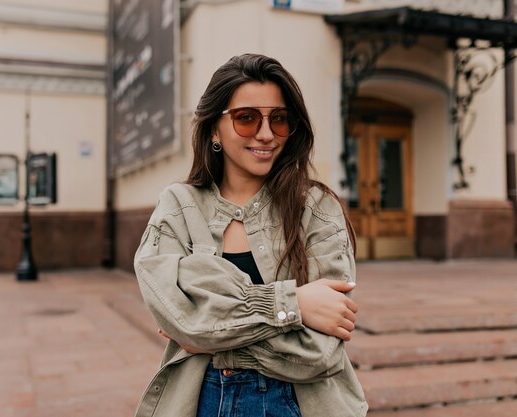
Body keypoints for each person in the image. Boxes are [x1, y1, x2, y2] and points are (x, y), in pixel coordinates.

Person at [133, 53, 367, 417]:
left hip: (301, 404)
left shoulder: (316, 208)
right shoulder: (178, 207)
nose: (265, 133)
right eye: (246, 118)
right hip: (203, 402)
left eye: (278, 119)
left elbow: (320, 351)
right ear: (214, 128)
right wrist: (294, 305)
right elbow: (180, 318)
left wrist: (211, 337)